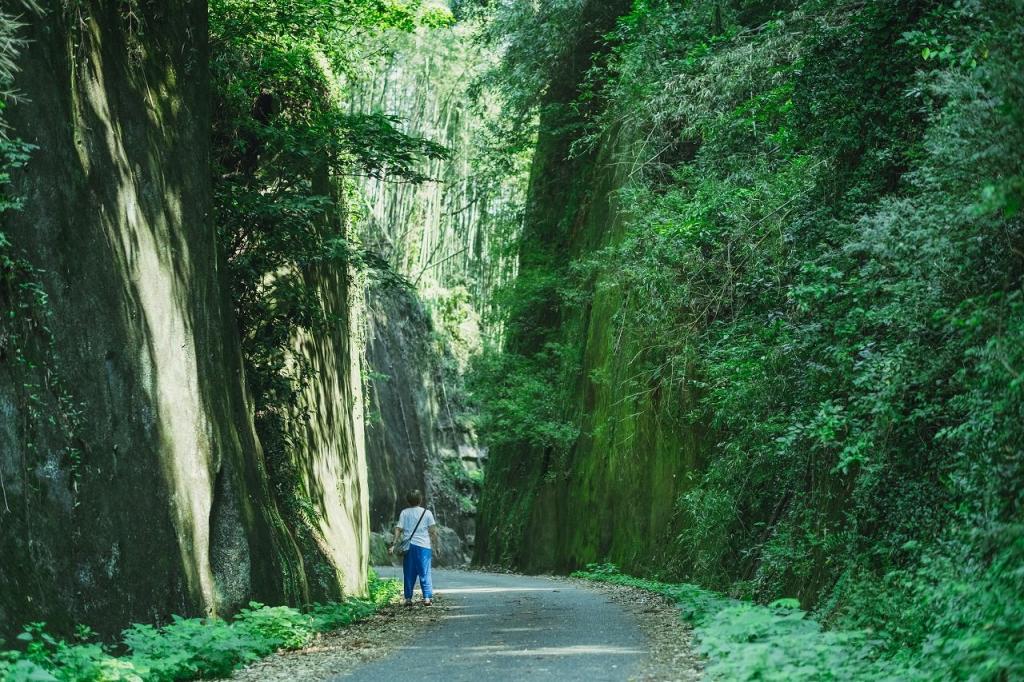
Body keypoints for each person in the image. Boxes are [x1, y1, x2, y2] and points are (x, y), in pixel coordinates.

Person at [391, 489, 438, 606]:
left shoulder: (404, 513)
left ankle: (408, 598)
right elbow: (433, 532)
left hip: (409, 547)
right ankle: (427, 598)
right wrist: (436, 546)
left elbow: (398, 529)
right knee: (425, 572)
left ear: (408, 501)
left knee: (408, 573)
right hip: (424, 547)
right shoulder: (427, 513)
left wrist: (394, 544)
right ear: (420, 500)